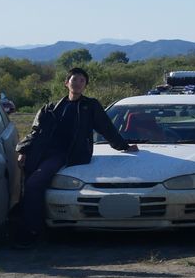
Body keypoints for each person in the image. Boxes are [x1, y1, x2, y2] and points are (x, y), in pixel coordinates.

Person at [13, 68, 137, 248]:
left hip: (66, 153)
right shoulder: (51, 108)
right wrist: (23, 150)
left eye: (82, 80)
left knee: (34, 183)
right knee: (25, 185)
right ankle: (25, 227)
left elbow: (106, 128)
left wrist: (123, 146)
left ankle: (34, 233)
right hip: (42, 152)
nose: (77, 83)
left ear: (85, 85)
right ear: (66, 83)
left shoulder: (90, 106)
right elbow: (36, 132)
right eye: (74, 79)